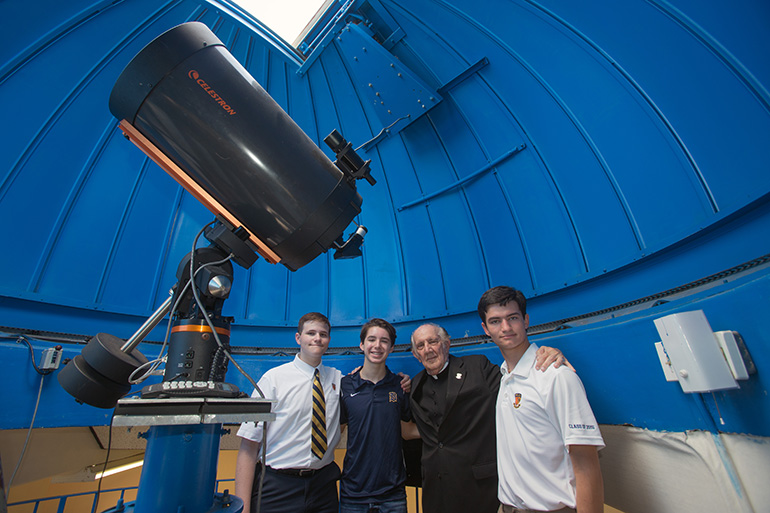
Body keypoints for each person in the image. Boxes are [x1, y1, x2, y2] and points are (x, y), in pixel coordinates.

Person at [408, 323, 567, 513]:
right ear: (415, 354)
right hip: (436, 491)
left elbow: (515, 382)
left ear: (447, 344)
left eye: (433, 341)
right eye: (420, 346)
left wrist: (546, 356)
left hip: (479, 488)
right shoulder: (415, 385)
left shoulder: (477, 367)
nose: (428, 349)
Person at [479, 286, 604, 513]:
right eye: (495, 321)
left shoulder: (557, 376)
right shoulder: (503, 376)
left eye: (513, 318)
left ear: (526, 320)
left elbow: (587, 465)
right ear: (485, 329)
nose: (505, 328)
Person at [234, 312, 342, 513]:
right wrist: (243, 508)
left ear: (328, 340)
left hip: (323, 487)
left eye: (323, 334)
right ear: (298, 338)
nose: (317, 338)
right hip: (278, 486)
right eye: (311, 333)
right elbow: (248, 446)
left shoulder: (338, 379)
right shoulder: (272, 379)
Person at [338, 318, 417, 513]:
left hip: (393, 494)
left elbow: (407, 431)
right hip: (353, 494)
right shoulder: (345, 385)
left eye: (384, 341)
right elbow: (336, 432)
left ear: (391, 348)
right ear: (362, 344)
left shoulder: (400, 386)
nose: (377, 346)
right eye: (371, 339)